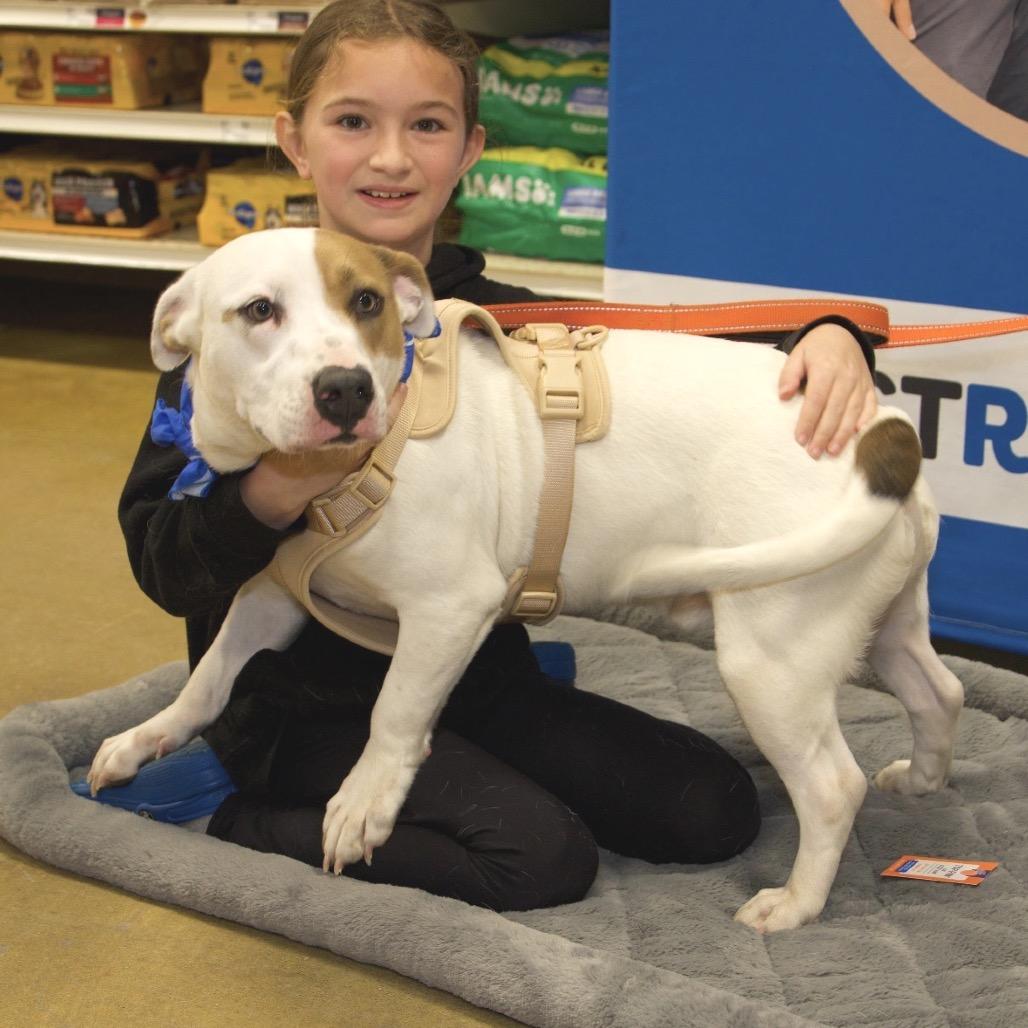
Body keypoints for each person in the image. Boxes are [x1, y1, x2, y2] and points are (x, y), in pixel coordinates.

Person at [119, 0, 879, 912]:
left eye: (427, 126)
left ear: (469, 149)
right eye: (354, 121)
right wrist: (278, 482)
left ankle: (454, 762)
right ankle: (246, 824)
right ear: (296, 138)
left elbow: (657, 348)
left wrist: (832, 333)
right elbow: (164, 561)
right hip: (293, 705)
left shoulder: (488, 313)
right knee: (540, 859)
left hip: (469, 667)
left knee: (710, 809)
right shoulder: (237, 305)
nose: (392, 156)